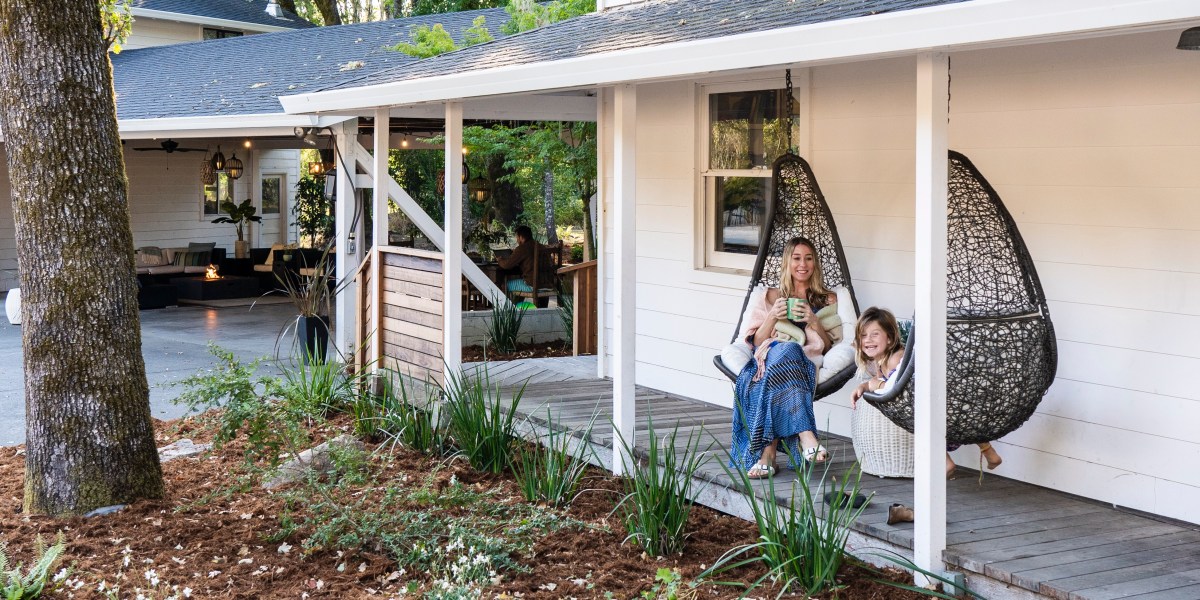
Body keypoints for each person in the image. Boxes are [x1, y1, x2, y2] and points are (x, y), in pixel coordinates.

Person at [849, 307, 1002, 479]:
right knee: (958, 424)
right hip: (933, 403)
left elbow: (894, 387)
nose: (868, 340)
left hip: (936, 398)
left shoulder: (896, 358)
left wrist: (875, 384)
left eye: (875, 334)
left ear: (890, 339)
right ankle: (989, 453)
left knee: (920, 422)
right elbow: (880, 382)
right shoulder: (881, 362)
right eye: (863, 335)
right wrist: (865, 386)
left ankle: (947, 463)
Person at [729, 236, 835, 479]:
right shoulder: (770, 296)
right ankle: (806, 435)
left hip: (801, 361)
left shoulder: (826, 300)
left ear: (815, 263)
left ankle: (768, 455)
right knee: (786, 350)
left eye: (808, 258)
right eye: (796, 258)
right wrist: (772, 317)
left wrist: (814, 321)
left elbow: (828, 346)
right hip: (770, 356)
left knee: (790, 351)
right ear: (787, 262)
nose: (803, 264)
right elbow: (756, 343)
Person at [496, 225, 556, 307]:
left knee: (506, 284)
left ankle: (512, 309)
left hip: (533, 286)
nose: (517, 240)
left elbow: (506, 265)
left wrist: (500, 260)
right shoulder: (541, 246)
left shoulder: (522, 248)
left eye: (517, 237)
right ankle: (541, 308)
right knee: (521, 282)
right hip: (549, 284)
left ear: (521, 237)